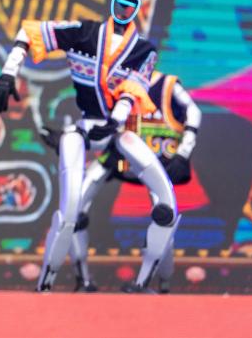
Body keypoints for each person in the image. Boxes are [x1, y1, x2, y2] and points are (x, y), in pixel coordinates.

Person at [0, 0, 176, 292]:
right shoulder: (84, 33)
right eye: (121, 2)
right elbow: (31, 32)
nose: (125, 10)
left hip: (119, 132)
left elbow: (132, 91)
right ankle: (50, 282)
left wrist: (115, 121)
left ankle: (149, 281)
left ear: (137, 9)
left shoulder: (144, 51)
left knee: (166, 201)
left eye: (131, 5)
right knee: (72, 207)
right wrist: (8, 72)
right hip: (84, 129)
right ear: (113, 3)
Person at [66, 70, 202, 292]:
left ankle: (157, 283)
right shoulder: (115, 82)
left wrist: (183, 153)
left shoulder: (166, 84)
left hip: (158, 158)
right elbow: (98, 119)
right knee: (77, 203)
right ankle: (83, 279)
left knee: (164, 214)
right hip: (119, 153)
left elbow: (193, 112)